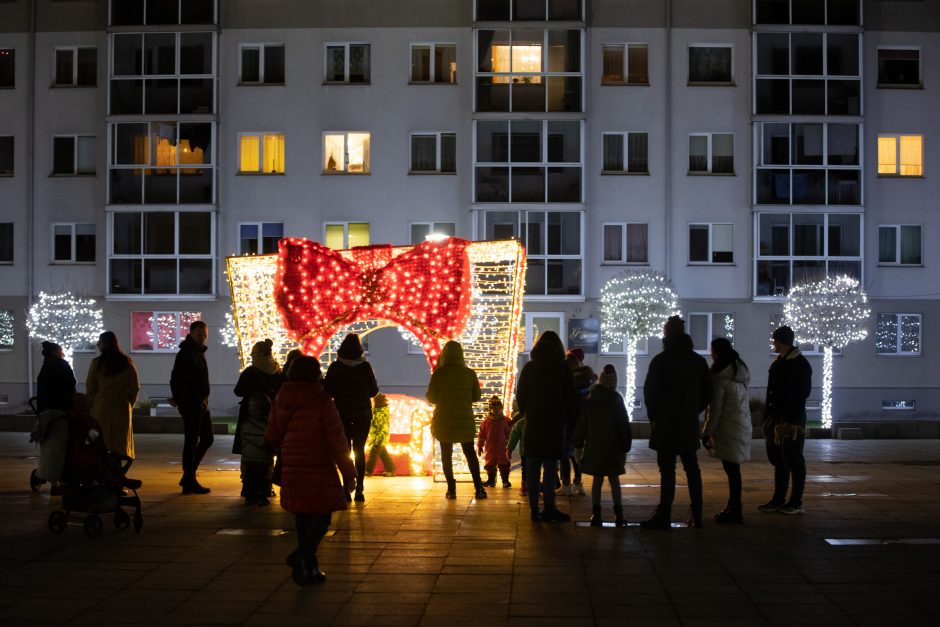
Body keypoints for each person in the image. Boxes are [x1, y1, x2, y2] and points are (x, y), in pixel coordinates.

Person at [266, 356, 356, 586]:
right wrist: (348, 472)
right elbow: (336, 440)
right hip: (318, 467)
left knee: (303, 517)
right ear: (316, 374)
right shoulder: (322, 401)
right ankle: (302, 556)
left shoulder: (281, 398)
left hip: (293, 466)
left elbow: (272, 435)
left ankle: (308, 569)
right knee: (323, 517)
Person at [641, 316, 711, 530]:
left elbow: (650, 392)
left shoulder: (661, 361)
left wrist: (656, 416)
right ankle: (697, 514)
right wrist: (692, 410)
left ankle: (664, 514)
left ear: (667, 334)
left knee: (667, 471)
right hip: (687, 423)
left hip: (666, 423)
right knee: (692, 468)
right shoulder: (697, 361)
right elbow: (707, 393)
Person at [516, 330, 576, 522]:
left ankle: (534, 508)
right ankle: (549, 506)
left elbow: (521, 396)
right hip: (554, 424)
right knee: (550, 467)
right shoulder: (562, 368)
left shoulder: (530, 368)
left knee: (533, 467)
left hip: (534, 423)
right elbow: (570, 398)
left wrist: (528, 413)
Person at [759, 325, 812, 516]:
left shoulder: (798, 363)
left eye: (775, 340)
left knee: (793, 459)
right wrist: (769, 417)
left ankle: (796, 502)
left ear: (781, 342)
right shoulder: (780, 362)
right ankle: (779, 499)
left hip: (791, 419)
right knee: (780, 460)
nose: (773, 343)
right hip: (776, 417)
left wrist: (790, 420)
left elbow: (802, 393)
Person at [426, 340, 487, 500]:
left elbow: (431, 397)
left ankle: (451, 489)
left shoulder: (439, 374)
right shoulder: (469, 373)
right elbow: (476, 397)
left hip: (444, 421)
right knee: (470, 454)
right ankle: (479, 487)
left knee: (446, 455)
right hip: (464, 420)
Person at [573, 364, 632, 527]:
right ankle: (619, 514)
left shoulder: (590, 400)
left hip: (595, 446)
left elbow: (582, 425)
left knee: (597, 480)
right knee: (614, 480)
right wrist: (625, 445)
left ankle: (596, 514)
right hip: (613, 447)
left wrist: (577, 445)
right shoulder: (617, 400)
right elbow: (623, 425)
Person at [323, 333, 378, 503]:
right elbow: (373, 391)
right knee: (359, 450)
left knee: (344, 451)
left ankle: (346, 486)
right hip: (362, 412)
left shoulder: (335, 367)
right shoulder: (365, 367)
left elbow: (328, 391)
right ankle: (360, 488)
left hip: (342, 413)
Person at [702, 338, 752, 524]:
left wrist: (707, 432)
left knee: (732, 470)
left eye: (712, 351)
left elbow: (715, 409)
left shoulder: (720, 378)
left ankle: (735, 510)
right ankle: (733, 507)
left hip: (728, 426)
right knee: (733, 470)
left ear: (717, 352)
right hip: (741, 424)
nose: (710, 354)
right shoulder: (739, 371)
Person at [233, 339, 283, 505]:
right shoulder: (277, 371)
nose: (251, 355)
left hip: (251, 417)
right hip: (270, 417)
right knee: (266, 453)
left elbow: (238, 391)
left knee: (251, 456)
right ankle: (265, 487)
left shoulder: (250, 372)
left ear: (260, 353)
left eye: (253, 352)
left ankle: (250, 490)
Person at [170, 320, 213, 495]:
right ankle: (189, 479)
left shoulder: (196, 352)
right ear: (191, 334)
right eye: (199, 335)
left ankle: (188, 477)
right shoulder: (187, 353)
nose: (202, 338)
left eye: (204, 335)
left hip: (200, 402)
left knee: (206, 438)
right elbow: (176, 378)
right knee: (192, 440)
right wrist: (181, 398)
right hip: (192, 403)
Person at [85, 331, 140, 458]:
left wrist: (92, 404)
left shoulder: (97, 363)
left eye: (100, 342)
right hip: (121, 406)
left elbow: (91, 387)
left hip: (101, 405)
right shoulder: (126, 362)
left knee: (101, 440)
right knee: (119, 441)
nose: (98, 345)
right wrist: (129, 404)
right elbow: (134, 387)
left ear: (106, 343)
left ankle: (102, 469)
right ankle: (117, 469)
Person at [559, 349, 593, 496]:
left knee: (565, 454)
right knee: (577, 456)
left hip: (569, 423)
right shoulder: (587, 382)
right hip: (581, 425)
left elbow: (566, 404)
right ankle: (578, 484)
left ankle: (566, 485)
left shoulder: (571, 384)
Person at [478, 396, 512, 488]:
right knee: (490, 463)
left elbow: (510, 434)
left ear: (501, 409)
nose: (496, 410)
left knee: (504, 463)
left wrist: (510, 446)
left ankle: (505, 480)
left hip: (502, 447)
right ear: (490, 409)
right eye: (494, 409)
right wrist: (480, 445)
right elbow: (481, 435)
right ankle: (491, 480)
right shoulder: (486, 422)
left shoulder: (506, 421)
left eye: (498, 408)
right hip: (490, 447)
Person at [37, 341, 76, 414]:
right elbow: (71, 382)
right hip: (62, 406)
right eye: (60, 350)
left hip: (46, 407)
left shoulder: (46, 366)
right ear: (55, 352)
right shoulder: (63, 364)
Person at [365, 392, 395, 477]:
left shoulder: (380, 411)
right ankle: (391, 470)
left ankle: (368, 470)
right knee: (383, 455)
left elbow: (379, 424)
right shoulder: (380, 410)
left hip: (380, 436)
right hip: (378, 436)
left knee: (373, 453)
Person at [507, 409, 527, 497]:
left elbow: (514, 437)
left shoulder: (521, 423)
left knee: (525, 469)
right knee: (534, 469)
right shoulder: (541, 421)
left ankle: (525, 487)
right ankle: (533, 486)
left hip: (525, 451)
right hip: (536, 451)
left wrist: (509, 449)